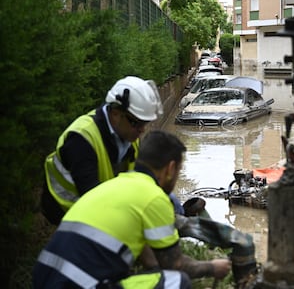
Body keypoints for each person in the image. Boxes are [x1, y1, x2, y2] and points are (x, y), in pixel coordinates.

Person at [33, 130, 231, 288]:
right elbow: (175, 264)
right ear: (170, 168)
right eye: (179, 171)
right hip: (79, 284)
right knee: (177, 281)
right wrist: (212, 267)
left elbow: (150, 259)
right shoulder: (154, 197)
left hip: (43, 277)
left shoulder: (112, 185)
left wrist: (155, 269)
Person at [41, 76, 165, 225]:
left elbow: (142, 180)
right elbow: (94, 201)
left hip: (98, 208)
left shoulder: (128, 135)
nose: (142, 130)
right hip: (66, 216)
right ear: (115, 113)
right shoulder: (81, 139)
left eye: (145, 123)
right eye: (136, 123)